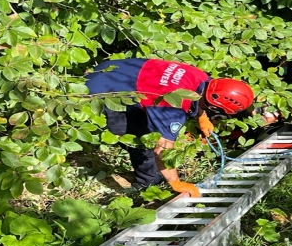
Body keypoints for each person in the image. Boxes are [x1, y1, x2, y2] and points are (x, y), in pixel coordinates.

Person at [85, 58, 255, 197]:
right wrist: (175, 182)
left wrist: (202, 118)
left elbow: (198, 96)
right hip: (102, 91)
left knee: (144, 127)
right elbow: (163, 148)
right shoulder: (172, 107)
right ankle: (149, 181)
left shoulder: (201, 77)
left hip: (112, 69)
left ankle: (149, 178)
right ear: (215, 107)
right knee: (136, 133)